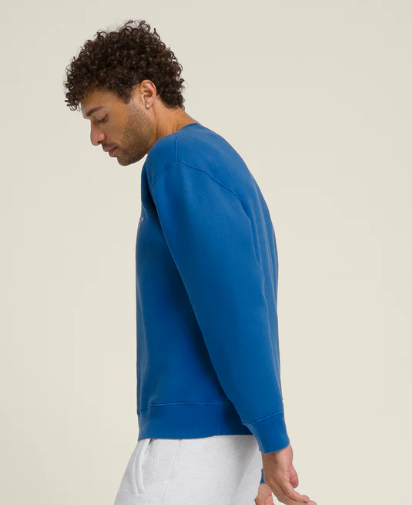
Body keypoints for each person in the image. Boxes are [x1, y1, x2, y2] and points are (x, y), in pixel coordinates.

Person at [63, 18, 316, 505]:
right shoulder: (217, 159)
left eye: (100, 116)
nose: (95, 136)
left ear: (146, 93)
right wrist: (263, 441)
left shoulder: (176, 160)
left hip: (187, 450)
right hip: (228, 446)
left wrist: (272, 435)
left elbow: (233, 309)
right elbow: (249, 301)